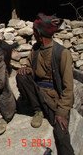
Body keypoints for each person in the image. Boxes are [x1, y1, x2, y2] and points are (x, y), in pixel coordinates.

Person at [16, 13, 74, 155]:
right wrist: (26, 68)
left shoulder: (62, 53)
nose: (33, 33)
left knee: (61, 132)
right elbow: (28, 64)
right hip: (37, 91)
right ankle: (38, 110)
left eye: (35, 31)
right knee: (21, 76)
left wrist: (62, 111)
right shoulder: (36, 48)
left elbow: (68, 88)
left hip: (53, 98)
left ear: (39, 33)